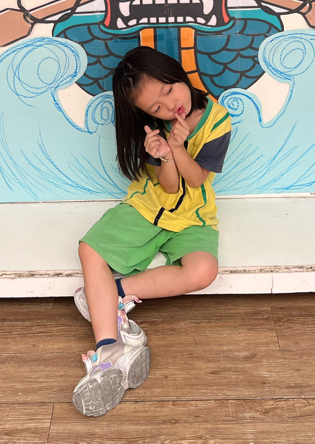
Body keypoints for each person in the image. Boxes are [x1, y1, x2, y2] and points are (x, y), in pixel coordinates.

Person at [72, 46, 232, 417]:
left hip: (193, 217)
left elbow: (196, 180)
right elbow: (170, 187)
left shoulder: (218, 119)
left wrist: (179, 147)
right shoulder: (153, 130)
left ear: (178, 74)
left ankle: (110, 296)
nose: (170, 105)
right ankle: (108, 351)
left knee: (204, 271)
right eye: (156, 107)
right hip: (147, 208)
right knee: (89, 248)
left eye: (168, 90)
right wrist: (165, 154)